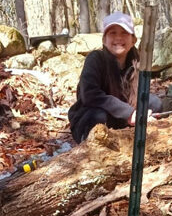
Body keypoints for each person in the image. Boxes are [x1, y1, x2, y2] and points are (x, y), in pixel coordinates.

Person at [68, 12, 162, 143]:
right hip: (90, 117)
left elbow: (139, 96)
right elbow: (90, 95)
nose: (118, 38)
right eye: (112, 33)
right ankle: (90, 144)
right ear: (104, 40)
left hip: (120, 117)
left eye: (124, 33)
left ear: (133, 40)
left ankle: (131, 137)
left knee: (154, 103)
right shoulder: (95, 58)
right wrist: (130, 114)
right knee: (98, 116)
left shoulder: (137, 62)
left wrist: (142, 114)